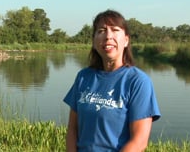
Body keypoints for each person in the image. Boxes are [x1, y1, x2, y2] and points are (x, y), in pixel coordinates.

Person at [63, 9, 161, 152]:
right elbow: (72, 129)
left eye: (115, 30)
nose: (108, 36)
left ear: (126, 40)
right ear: (94, 41)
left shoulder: (138, 81)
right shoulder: (83, 77)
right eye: (101, 31)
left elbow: (139, 142)